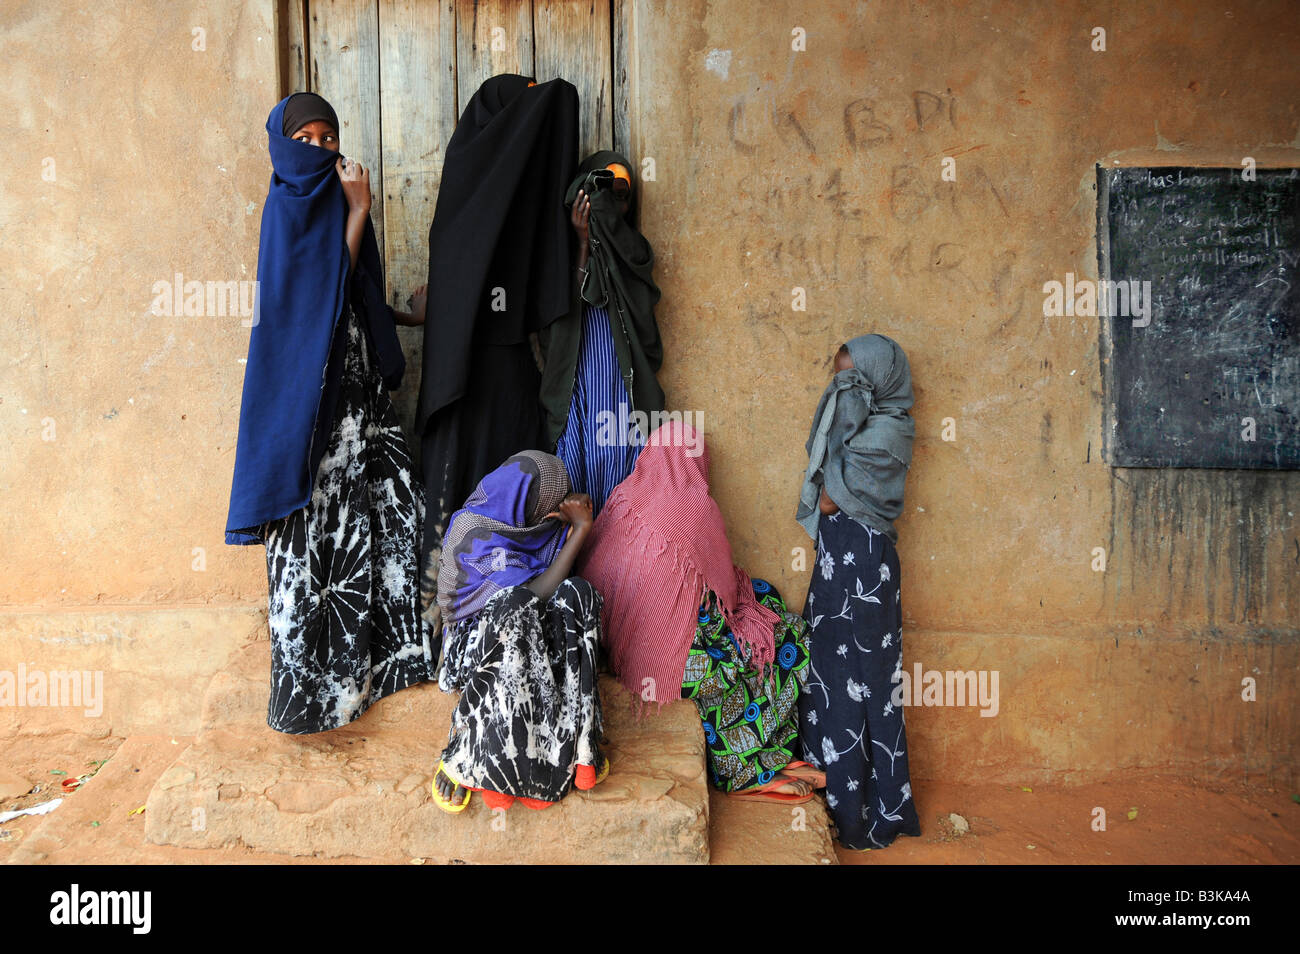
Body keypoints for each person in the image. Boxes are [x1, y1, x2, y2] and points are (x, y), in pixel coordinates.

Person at [224, 92, 432, 734]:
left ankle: (383, 665)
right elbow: (316, 291)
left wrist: (401, 315)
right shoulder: (288, 208)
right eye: (305, 138)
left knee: (388, 518)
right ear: (284, 146)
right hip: (311, 416)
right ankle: (311, 698)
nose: (319, 149)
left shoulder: (332, 203)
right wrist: (361, 210)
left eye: (328, 136)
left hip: (359, 401)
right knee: (319, 541)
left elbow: (352, 298)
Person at [579, 422, 820, 803]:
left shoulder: (623, 499)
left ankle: (768, 757)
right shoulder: (692, 511)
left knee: (759, 604)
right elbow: (724, 594)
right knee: (780, 641)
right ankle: (742, 771)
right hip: (665, 665)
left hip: (612, 645)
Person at [418, 75, 579, 634]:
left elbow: (557, 100)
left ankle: (513, 602)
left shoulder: (509, 184)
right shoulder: (471, 176)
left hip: (506, 358)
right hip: (465, 368)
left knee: (515, 475)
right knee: (464, 475)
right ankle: (451, 612)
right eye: (522, 100)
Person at [795, 334, 921, 849]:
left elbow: (827, 501)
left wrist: (839, 422)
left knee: (871, 689)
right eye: (837, 381)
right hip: (837, 571)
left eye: (853, 382)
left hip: (866, 574)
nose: (842, 392)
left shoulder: (888, 436)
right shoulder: (867, 429)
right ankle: (835, 799)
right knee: (829, 679)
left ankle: (874, 808)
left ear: (878, 382)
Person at [430, 451, 607, 814]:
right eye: (546, 502)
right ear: (521, 498)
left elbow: (549, 593)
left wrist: (575, 523)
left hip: (526, 628)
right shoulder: (473, 530)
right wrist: (581, 532)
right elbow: (530, 596)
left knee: (580, 594)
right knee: (516, 607)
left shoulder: (532, 529)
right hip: (481, 645)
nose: (551, 513)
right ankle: (468, 752)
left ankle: (582, 746)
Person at [540, 150, 665, 515]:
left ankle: (621, 554)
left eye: (621, 193)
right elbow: (560, 316)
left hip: (620, 382)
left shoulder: (634, 251)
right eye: (604, 189)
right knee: (582, 461)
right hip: (579, 381)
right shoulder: (562, 253)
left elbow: (641, 309)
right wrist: (582, 243)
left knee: (621, 461)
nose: (612, 202)